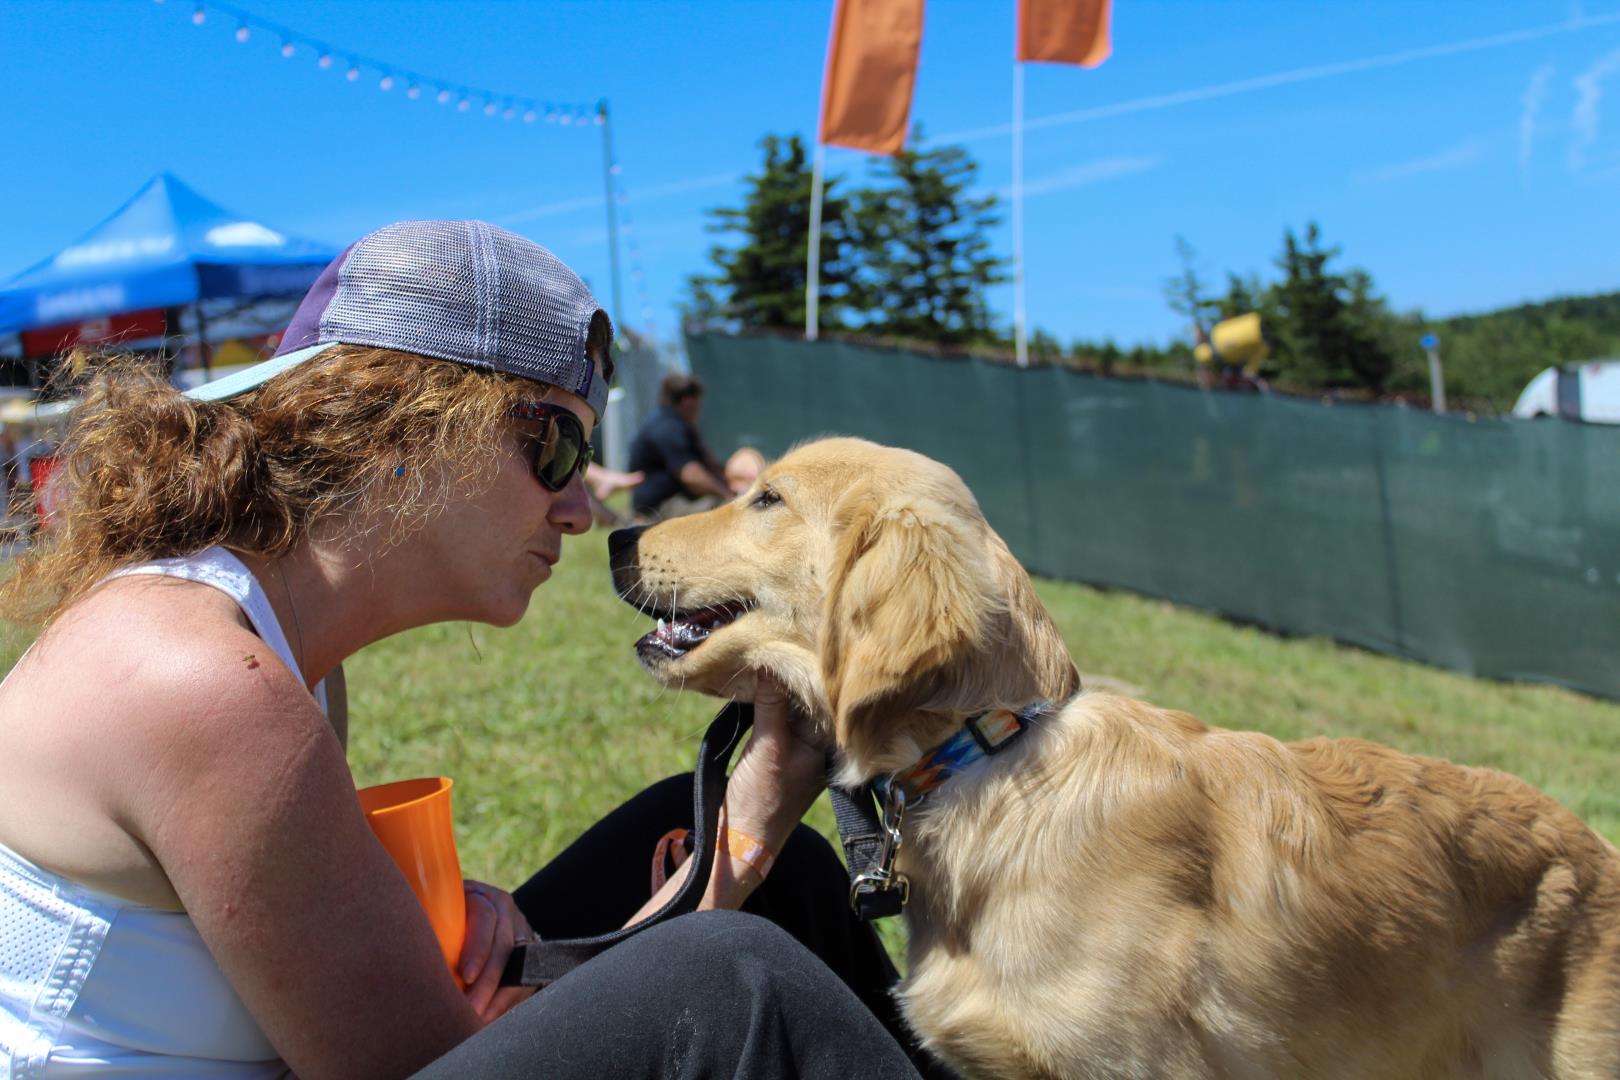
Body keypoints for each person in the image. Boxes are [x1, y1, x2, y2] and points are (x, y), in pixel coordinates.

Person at [0, 221, 933, 1079]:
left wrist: (421, 925)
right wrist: (750, 830)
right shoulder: (202, 683)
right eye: (559, 447)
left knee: (708, 851)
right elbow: (429, 1063)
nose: (578, 511)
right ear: (406, 419)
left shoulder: (275, 652)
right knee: (731, 978)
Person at [627, 373, 735, 519]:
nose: (700, 407)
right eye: (698, 401)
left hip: (678, 500)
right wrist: (729, 495)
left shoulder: (675, 423)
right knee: (728, 510)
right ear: (687, 401)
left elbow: (709, 464)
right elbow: (690, 475)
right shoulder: (667, 427)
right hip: (663, 506)